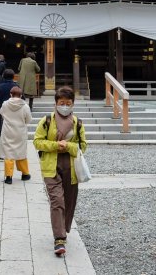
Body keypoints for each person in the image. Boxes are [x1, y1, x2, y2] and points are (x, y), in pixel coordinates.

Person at [33, 86, 87, 257]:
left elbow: (83, 146)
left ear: (73, 104)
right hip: (51, 167)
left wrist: (69, 146)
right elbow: (37, 141)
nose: (65, 106)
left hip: (71, 168)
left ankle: (63, 228)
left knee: (69, 202)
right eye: (61, 103)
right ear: (56, 103)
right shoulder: (47, 120)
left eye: (68, 103)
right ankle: (59, 239)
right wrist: (56, 145)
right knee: (57, 201)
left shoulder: (78, 123)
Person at [0, 86, 31, 184]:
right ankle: (25, 173)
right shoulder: (25, 106)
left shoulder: (5, 104)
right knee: (21, 152)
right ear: (21, 95)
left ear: (10, 94)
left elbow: (2, 113)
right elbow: (28, 119)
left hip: (8, 130)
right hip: (20, 131)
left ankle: (8, 176)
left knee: (8, 153)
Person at [0, 68, 17, 134]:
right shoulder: (16, 86)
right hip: (13, 109)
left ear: (3, 76)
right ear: (13, 76)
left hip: (2, 109)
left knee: (2, 128)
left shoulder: (0, 86)